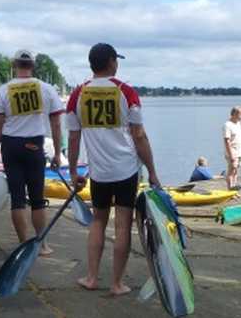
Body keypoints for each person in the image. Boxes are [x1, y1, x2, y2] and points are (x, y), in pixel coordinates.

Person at [68, 43, 160, 296]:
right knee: (122, 226)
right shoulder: (126, 92)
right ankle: (117, 283)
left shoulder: (78, 94)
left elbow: (73, 138)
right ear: (111, 62)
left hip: (99, 172)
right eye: (116, 60)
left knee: (98, 221)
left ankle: (92, 277)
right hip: (126, 169)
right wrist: (152, 171)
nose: (117, 63)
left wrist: (74, 171)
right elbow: (139, 136)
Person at [0, 50, 63, 256]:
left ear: (14, 65)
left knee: (18, 199)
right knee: (37, 199)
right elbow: (56, 124)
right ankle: (42, 245)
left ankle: (23, 244)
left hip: (10, 146)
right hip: (34, 146)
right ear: (33, 66)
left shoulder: (4, 90)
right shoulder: (46, 89)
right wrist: (57, 153)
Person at [223, 106, 241, 190]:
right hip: (232, 152)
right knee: (231, 172)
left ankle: (234, 191)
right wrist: (231, 155)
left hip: (239, 152)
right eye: (240, 114)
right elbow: (226, 141)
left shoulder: (238, 123)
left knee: (235, 172)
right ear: (234, 114)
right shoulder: (227, 125)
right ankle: (229, 190)